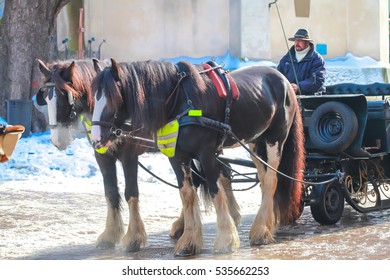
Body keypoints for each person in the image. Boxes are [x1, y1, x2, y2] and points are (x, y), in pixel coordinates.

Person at [277, 28, 326, 95]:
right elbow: (278, 76)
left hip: (311, 98)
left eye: (300, 41)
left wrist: (299, 87)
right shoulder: (286, 58)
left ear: (307, 42)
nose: (297, 43)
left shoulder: (317, 59)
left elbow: (318, 80)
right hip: (290, 97)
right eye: (295, 40)